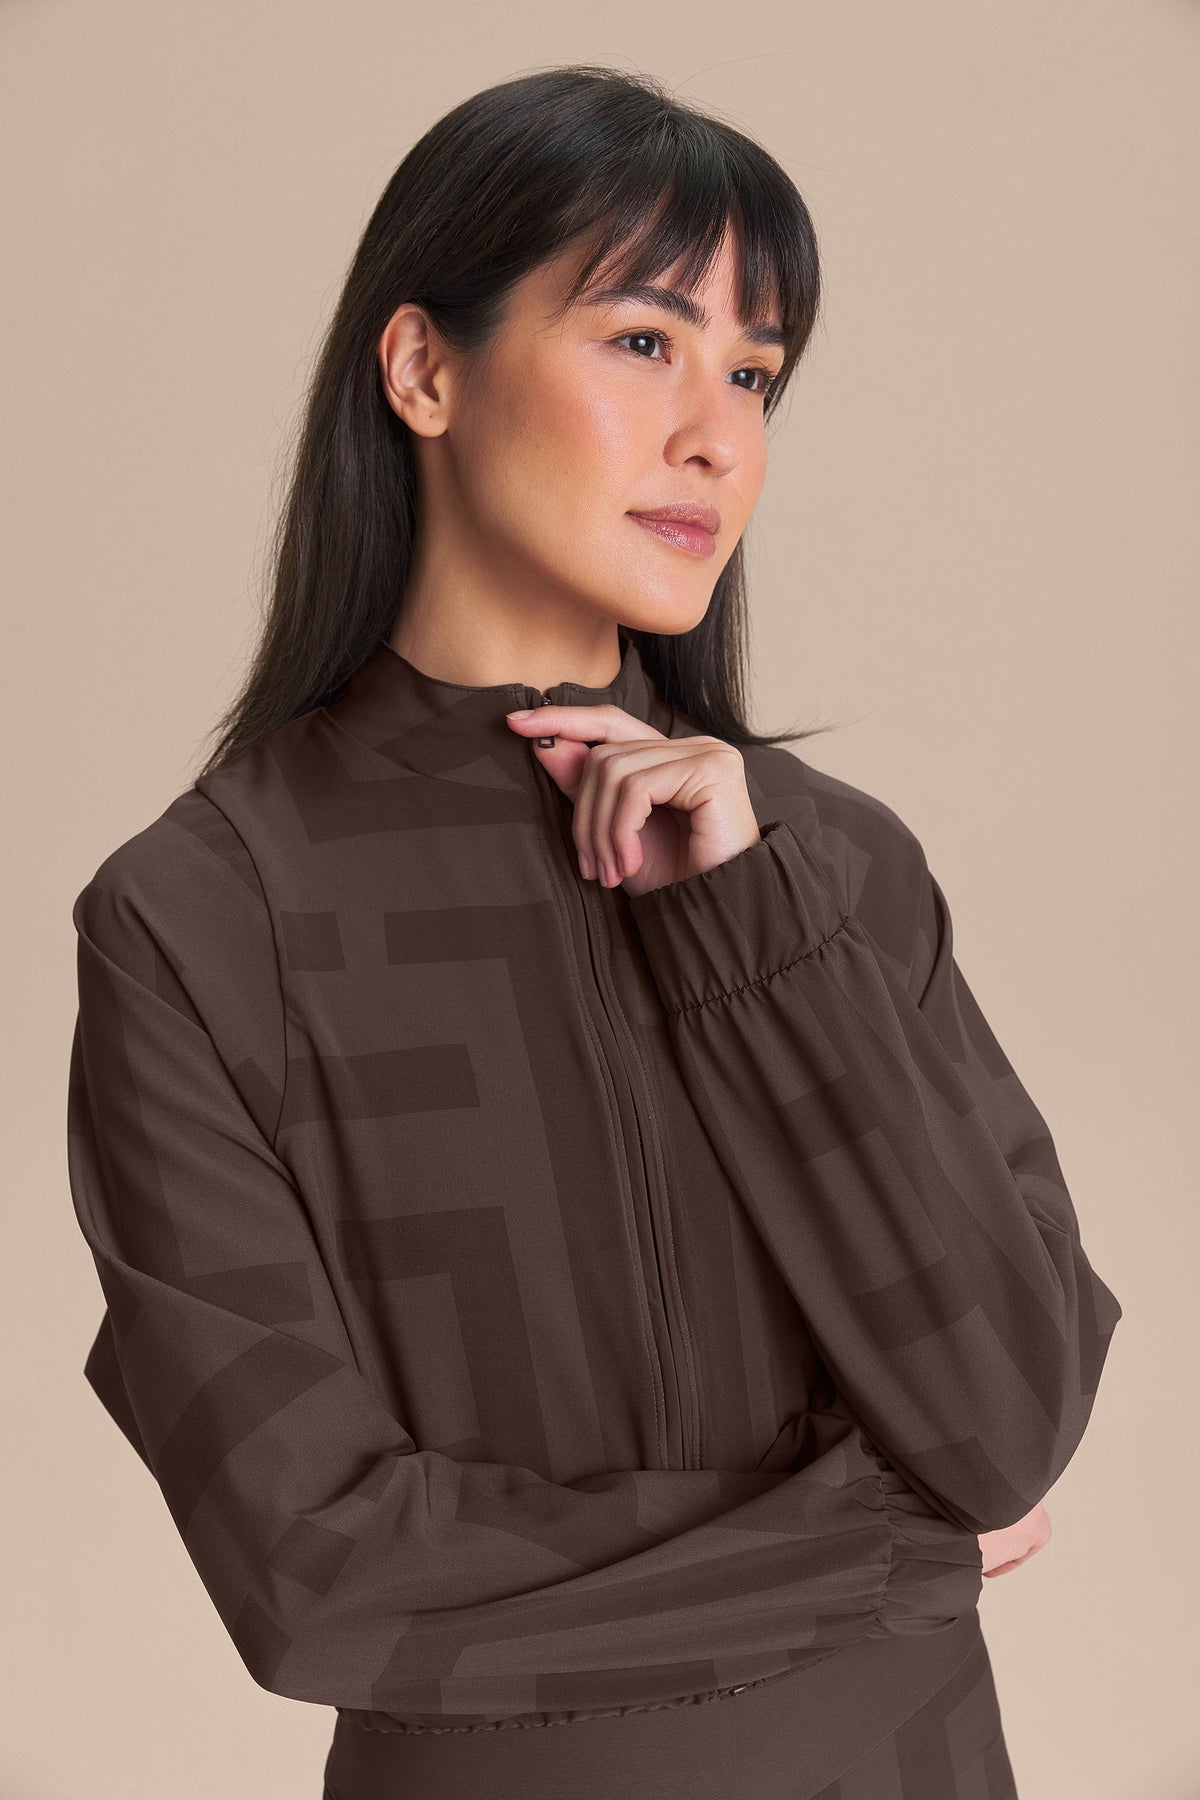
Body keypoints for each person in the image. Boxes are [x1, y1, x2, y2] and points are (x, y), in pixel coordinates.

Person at [65, 64, 1121, 1800]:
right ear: (423, 369)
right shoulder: (203, 914)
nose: (719, 434)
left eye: (756, 373)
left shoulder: (833, 867)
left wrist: (750, 930)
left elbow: (1003, 1417)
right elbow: (320, 1578)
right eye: (645, 341)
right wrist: (878, 1549)